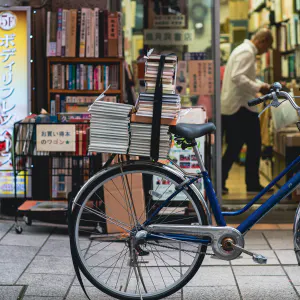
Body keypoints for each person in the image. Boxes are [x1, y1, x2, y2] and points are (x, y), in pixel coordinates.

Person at [221, 29, 273, 194]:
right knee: (250, 145)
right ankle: (250, 184)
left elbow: (245, 76)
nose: (266, 51)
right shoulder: (247, 52)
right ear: (262, 40)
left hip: (239, 106)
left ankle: (224, 181)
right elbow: (238, 76)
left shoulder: (243, 50)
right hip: (240, 106)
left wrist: (260, 85)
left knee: (237, 146)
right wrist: (259, 87)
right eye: (268, 46)